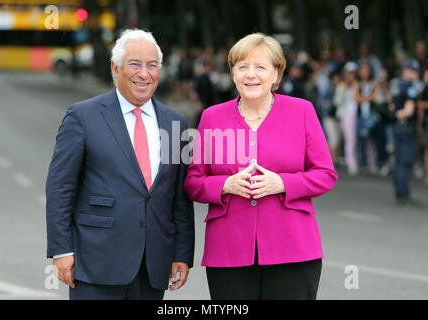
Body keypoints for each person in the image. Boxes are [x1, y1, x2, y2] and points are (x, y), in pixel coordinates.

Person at [183, 33, 338, 300]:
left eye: (260, 67)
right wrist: (224, 185)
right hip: (228, 253)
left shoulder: (302, 111)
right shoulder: (211, 117)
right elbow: (193, 181)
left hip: (293, 250)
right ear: (232, 74)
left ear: (276, 74)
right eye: (242, 67)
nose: (250, 74)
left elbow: (325, 174)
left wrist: (283, 183)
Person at [46, 29, 195, 300]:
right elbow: (60, 188)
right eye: (134, 64)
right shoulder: (83, 116)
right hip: (95, 261)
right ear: (115, 68)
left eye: (152, 65)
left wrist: (182, 253)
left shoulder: (176, 123)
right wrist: (61, 250)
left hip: (153, 265)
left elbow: (179, 198)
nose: (144, 73)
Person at [390, 59, 421, 206]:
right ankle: (404, 194)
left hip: (397, 127)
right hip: (407, 127)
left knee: (399, 159)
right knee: (406, 161)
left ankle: (399, 191)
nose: (416, 73)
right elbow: (409, 110)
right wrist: (401, 114)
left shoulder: (396, 85)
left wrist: (396, 114)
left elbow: (392, 105)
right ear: (405, 71)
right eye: (413, 71)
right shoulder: (410, 88)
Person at [335, 61, 359, 175]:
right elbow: (337, 101)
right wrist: (345, 89)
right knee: (350, 139)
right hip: (346, 113)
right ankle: (351, 163)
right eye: (349, 73)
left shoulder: (357, 84)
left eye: (353, 73)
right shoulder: (342, 85)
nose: (351, 75)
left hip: (357, 113)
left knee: (357, 139)